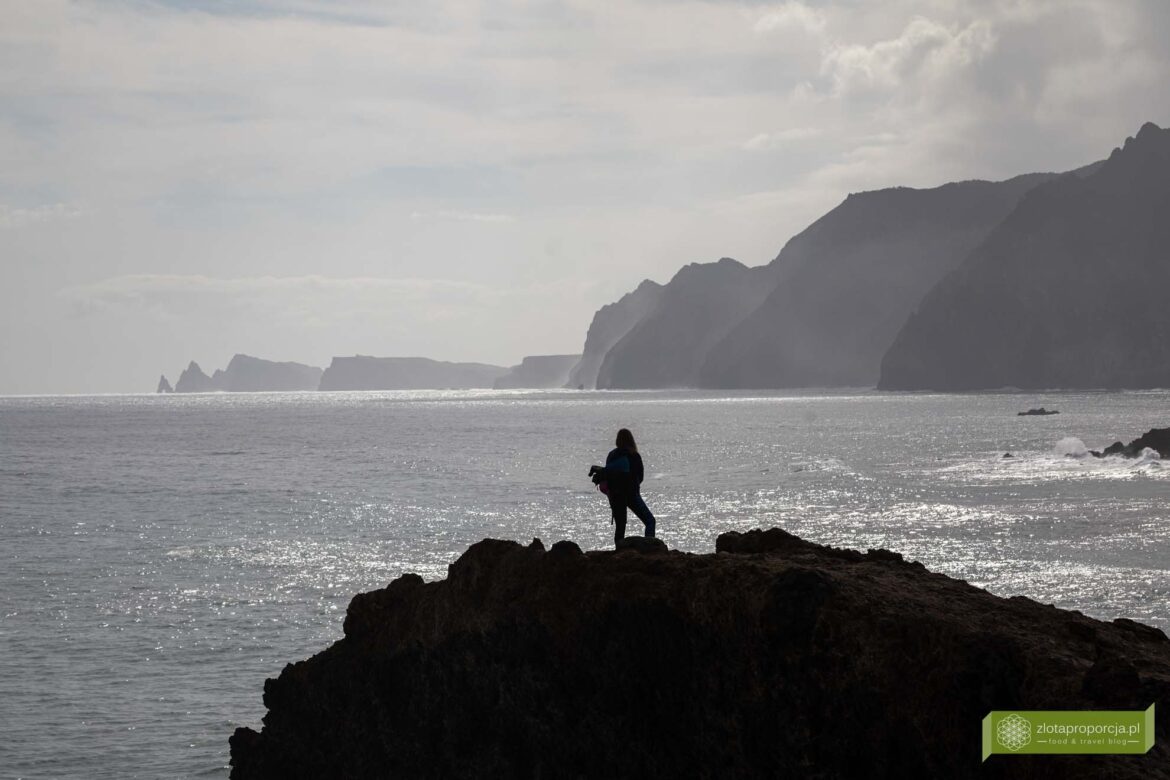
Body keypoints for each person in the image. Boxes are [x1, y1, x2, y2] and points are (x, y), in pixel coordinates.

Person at [602, 428, 656, 545]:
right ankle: (650, 548)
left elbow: (607, 475)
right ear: (631, 440)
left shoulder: (611, 455)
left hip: (615, 495)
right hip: (632, 494)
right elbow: (640, 477)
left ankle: (618, 552)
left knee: (620, 527)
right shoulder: (634, 455)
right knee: (650, 521)